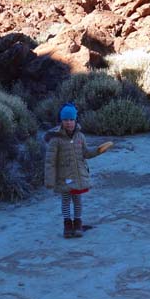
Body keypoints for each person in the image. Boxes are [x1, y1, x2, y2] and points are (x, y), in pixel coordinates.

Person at [44, 102, 113, 238]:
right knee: (65, 200)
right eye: (65, 120)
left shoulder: (80, 136)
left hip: (78, 176)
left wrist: (99, 150)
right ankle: (67, 225)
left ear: (75, 120)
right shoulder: (56, 139)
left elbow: (86, 153)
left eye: (71, 119)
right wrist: (49, 180)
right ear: (61, 121)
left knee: (77, 200)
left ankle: (78, 223)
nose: (69, 123)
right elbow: (50, 162)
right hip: (63, 177)